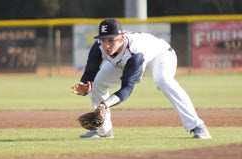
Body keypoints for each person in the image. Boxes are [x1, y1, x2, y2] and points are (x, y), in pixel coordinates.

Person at [71, 18, 211, 139]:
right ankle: (103, 131)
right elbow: (90, 72)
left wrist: (104, 105)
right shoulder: (98, 47)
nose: (106, 45)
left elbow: (127, 89)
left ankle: (197, 126)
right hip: (124, 63)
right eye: (103, 40)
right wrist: (84, 85)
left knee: (163, 81)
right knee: (98, 82)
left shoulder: (135, 52)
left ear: (122, 38)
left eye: (111, 40)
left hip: (160, 57)